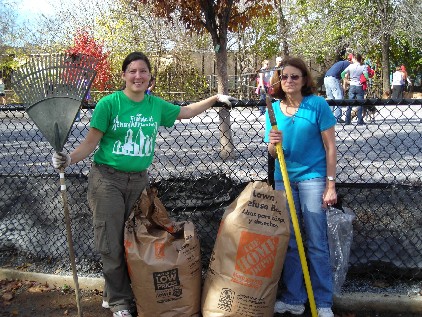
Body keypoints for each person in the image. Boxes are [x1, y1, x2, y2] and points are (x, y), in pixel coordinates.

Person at [51, 51, 235, 317]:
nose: (138, 76)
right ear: (124, 75)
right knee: (110, 242)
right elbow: (91, 142)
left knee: (135, 240)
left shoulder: (154, 105)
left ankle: (115, 293)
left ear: (150, 77)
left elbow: (185, 112)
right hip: (107, 180)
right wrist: (68, 158)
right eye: (133, 71)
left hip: (139, 181)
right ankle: (119, 302)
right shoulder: (109, 104)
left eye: (143, 71)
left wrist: (215, 99)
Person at [265, 57, 337, 317]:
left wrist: (331, 185)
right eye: (284, 77)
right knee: (292, 242)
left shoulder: (317, 105)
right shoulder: (273, 110)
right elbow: (273, 153)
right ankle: (294, 298)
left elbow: (330, 147)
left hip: (313, 179)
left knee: (317, 241)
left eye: (295, 76)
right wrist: (273, 143)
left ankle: (323, 301)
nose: (289, 81)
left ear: (305, 79)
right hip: (284, 178)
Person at [323, 53, 354, 123]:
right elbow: (345, 77)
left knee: (331, 99)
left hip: (326, 78)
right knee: (339, 97)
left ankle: (329, 117)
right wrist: (345, 87)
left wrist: (343, 87)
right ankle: (337, 117)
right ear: (352, 60)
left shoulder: (342, 63)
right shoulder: (349, 65)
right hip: (333, 79)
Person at [341, 53, 369, 125]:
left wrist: (347, 81)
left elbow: (342, 74)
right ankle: (359, 120)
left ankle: (347, 120)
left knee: (350, 103)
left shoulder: (350, 66)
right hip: (359, 86)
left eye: (352, 58)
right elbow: (366, 77)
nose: (351, 59)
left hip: (352, 85)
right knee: (360, 103)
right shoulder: (363, 66)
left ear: (355, 58)